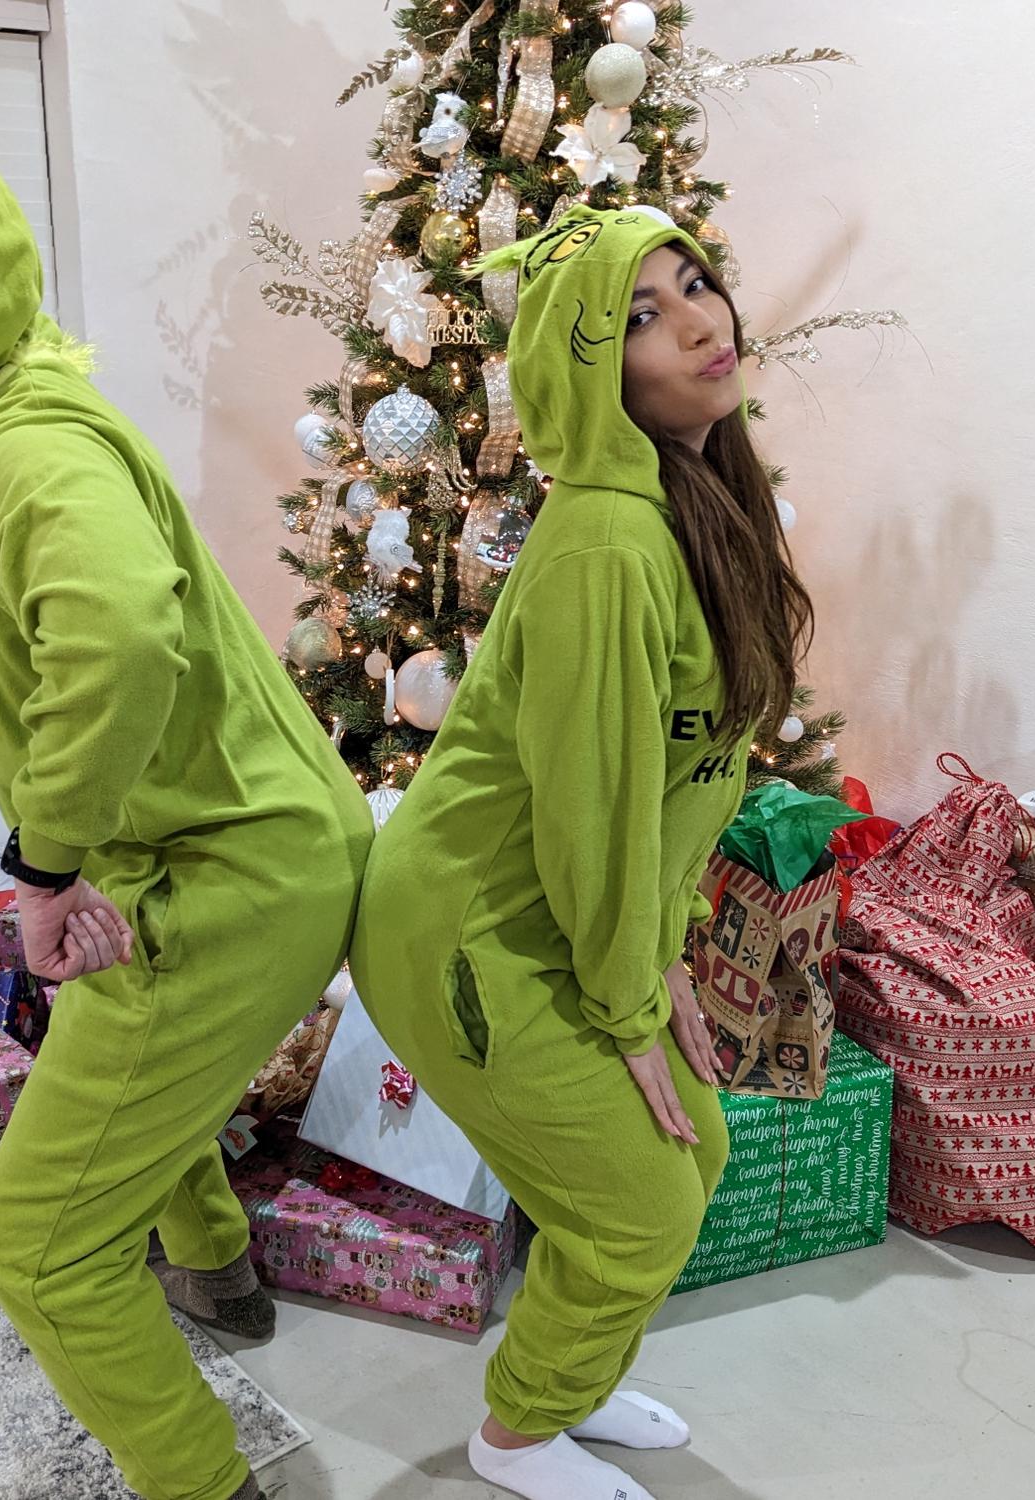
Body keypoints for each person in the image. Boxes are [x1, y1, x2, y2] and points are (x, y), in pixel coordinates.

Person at [0, 129, 373, 1500]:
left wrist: (45, 865)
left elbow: (120, 637)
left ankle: (204, 1482)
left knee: (35, 1245)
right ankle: (218, 1269)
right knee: (101, 1037)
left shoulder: (26, 448)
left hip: (225, 873)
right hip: (223, 848)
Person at [348, 205, 814, 1500]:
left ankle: (577, 1376)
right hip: (468, 928)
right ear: (590, 370)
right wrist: (625, 997)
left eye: (698, 284)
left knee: (695, 1153)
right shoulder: (606, 546)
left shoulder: (691, 505)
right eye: (644, 316)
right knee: (639, 1207)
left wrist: (657, 957)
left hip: (560, 907)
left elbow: (668, 794)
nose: (702, 322)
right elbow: (593, 817)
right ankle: (514, 1436)